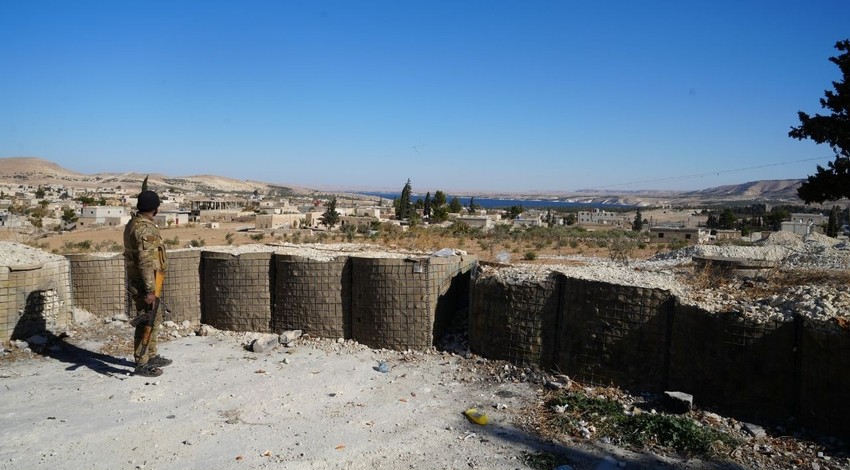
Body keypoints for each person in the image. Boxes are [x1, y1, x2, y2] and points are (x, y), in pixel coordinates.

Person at [124, 190, 171, 377]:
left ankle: (151, 355)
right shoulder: (145, 229)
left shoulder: (134, 223)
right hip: (145, 282)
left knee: (155, 317)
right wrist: (150, 290)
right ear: (156, 209)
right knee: (146, 321)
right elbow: (145, 260)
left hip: (148, 279)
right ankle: (141, 362)